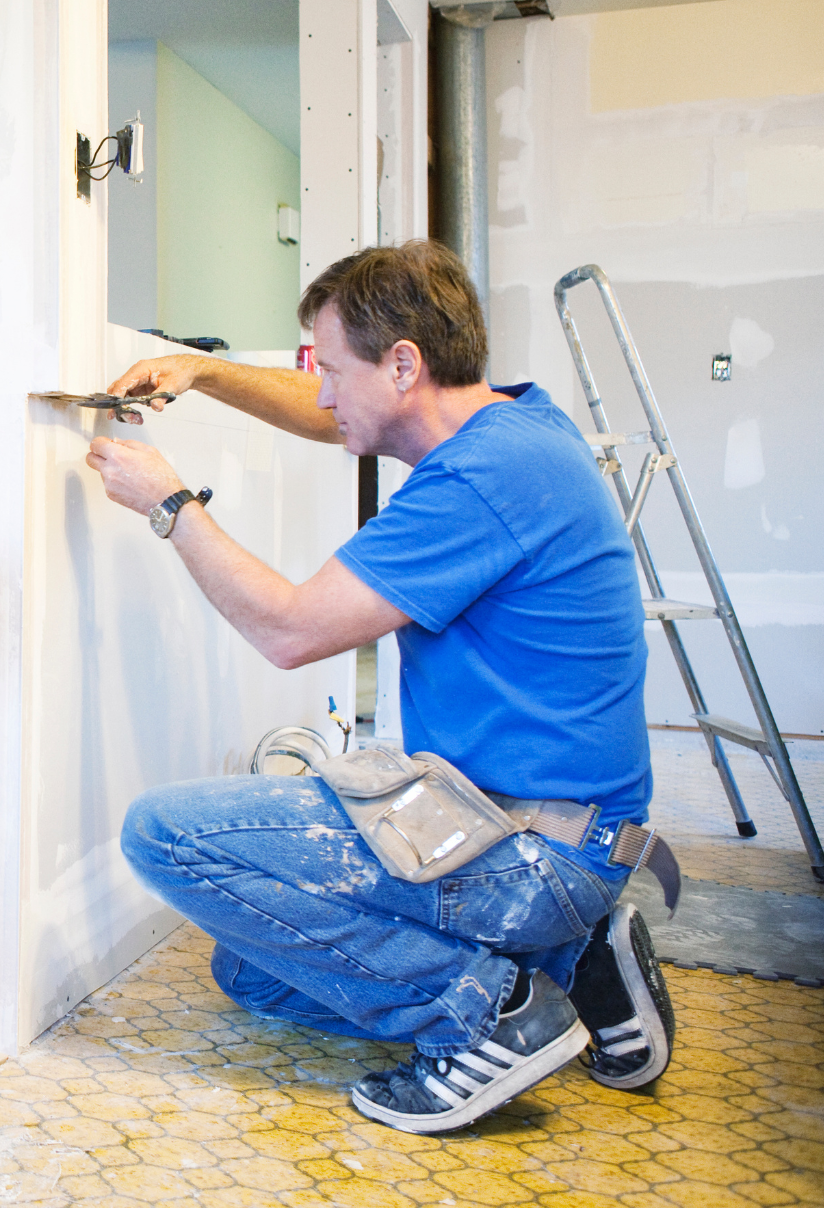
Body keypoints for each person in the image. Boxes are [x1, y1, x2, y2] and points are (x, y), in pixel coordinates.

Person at [86, 241, 676, 1135]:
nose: (322, 393)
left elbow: (289, 631)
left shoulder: (480, 481)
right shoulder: (512, 426)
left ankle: (495, 1012)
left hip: (528, 845)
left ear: (404, 363)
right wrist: (204, 371)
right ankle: (570, 968)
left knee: (163, 836)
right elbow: (342, 417)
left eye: (330, 369)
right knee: (248, 971)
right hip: (533, 820)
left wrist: (171, 502)